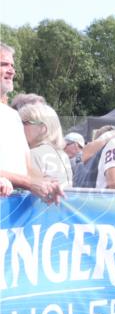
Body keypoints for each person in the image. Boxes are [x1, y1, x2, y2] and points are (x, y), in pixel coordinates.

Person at [0, 43, 62, 203]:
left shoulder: (13, 116)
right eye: (4, 64)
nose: (11, 71)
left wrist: (46, 184)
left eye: (12, 66)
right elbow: (28, 179)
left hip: (14, 216)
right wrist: (30, 183)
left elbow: (27, 167)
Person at [20, 102, 73, 188]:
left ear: (43, 128)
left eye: (24, 123)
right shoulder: (62, 154)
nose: (20, 126)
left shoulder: (33, 154)